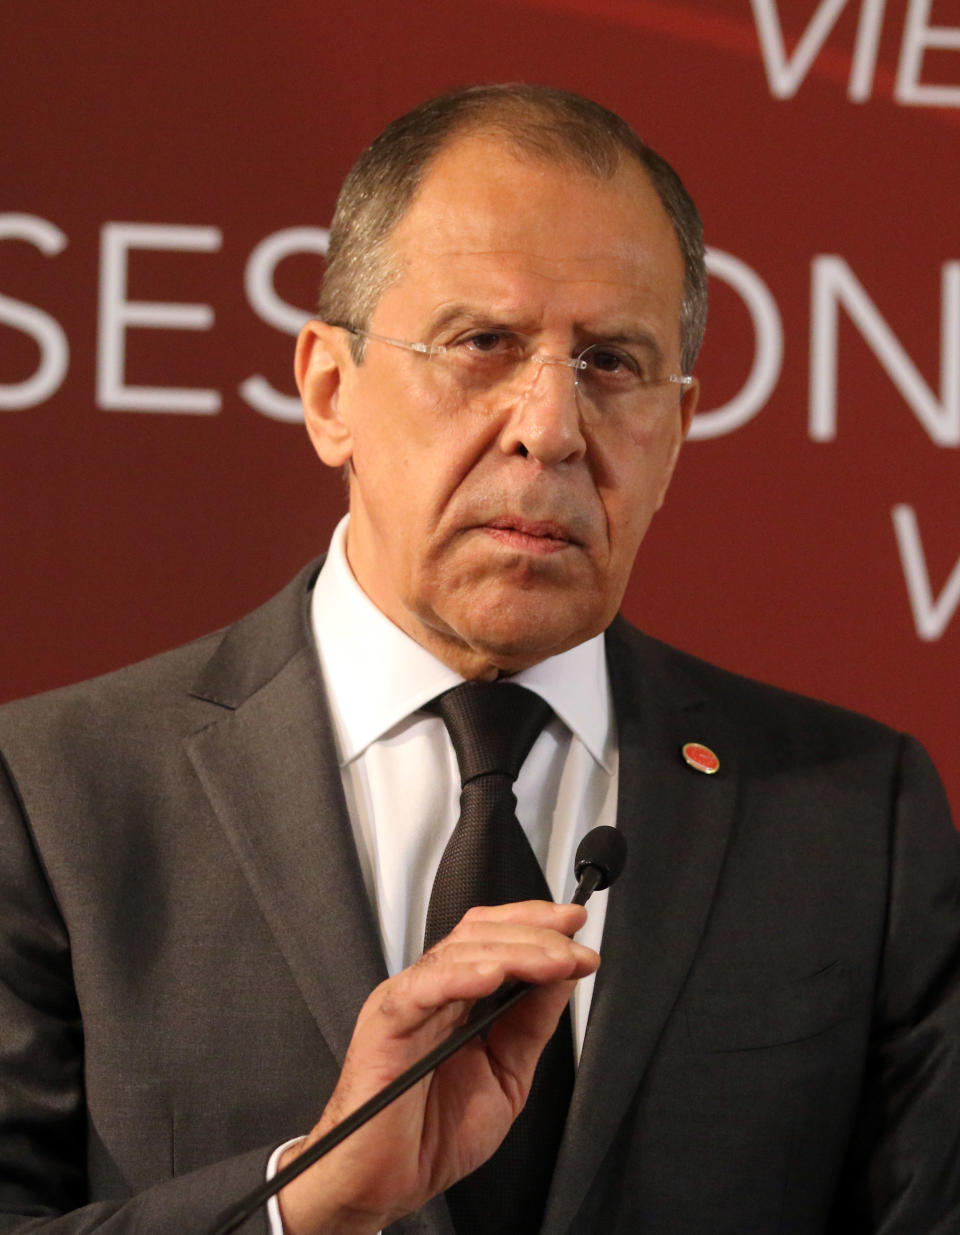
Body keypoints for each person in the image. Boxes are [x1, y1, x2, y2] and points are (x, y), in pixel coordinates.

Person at [1, 84, 958, 1235]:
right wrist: (299, 1204)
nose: (550, 426)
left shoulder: (856, 816)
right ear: (329, 389)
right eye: (482, 344)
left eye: (611, 362)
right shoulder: (55, 795)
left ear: (678, 430)